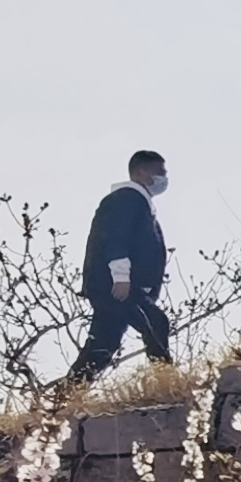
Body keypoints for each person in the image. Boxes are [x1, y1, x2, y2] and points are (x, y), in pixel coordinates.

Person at [68, 150, 175, 383]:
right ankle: (166, 382)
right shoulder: (127, 199)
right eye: (159, 173)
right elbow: (115, 237)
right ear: (140, 172)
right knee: (155, 323)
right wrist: (120, 277)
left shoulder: (138, 203)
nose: (164, 179)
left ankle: (63, 399)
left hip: (115, 286)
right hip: (117, 286)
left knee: (102, 346)